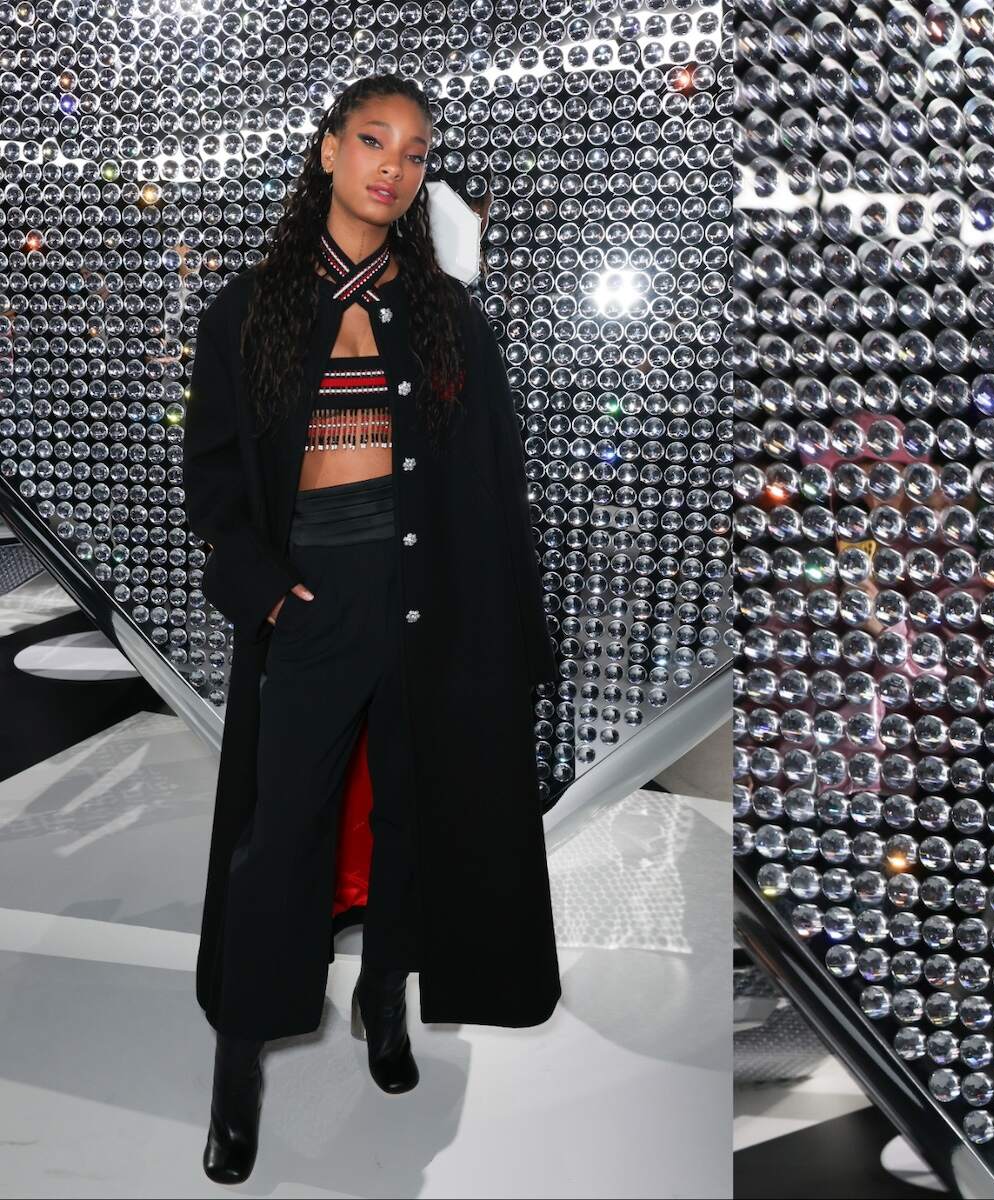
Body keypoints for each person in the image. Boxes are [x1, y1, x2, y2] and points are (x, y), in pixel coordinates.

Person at [182, 74, 563, 1186]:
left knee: (409, 827)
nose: (391, 165)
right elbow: (214, 479)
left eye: (412, 151)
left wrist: (511, 628)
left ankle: (383, 1002)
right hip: (311, 605)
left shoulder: (444, 311)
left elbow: (493, 479)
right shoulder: (249, 308)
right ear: (327, 153)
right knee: (275, 846)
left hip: (423, 606)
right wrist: (263, 593)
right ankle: (238, 1065)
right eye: (371, 140)